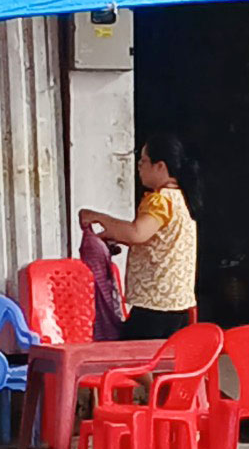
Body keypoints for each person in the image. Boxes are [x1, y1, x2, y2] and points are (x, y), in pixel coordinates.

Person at [79, 134, 202, 340]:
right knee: (159, 358)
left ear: (160, 166)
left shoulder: (159, 201)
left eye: (143, 161)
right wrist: (115, 235)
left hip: (155, 304)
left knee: (133, 357)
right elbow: (153, 238)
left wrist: (98, 217)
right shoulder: (181, 199)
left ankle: (151, 375)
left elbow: (137, 233)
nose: (139, 166)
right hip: (178, 303)